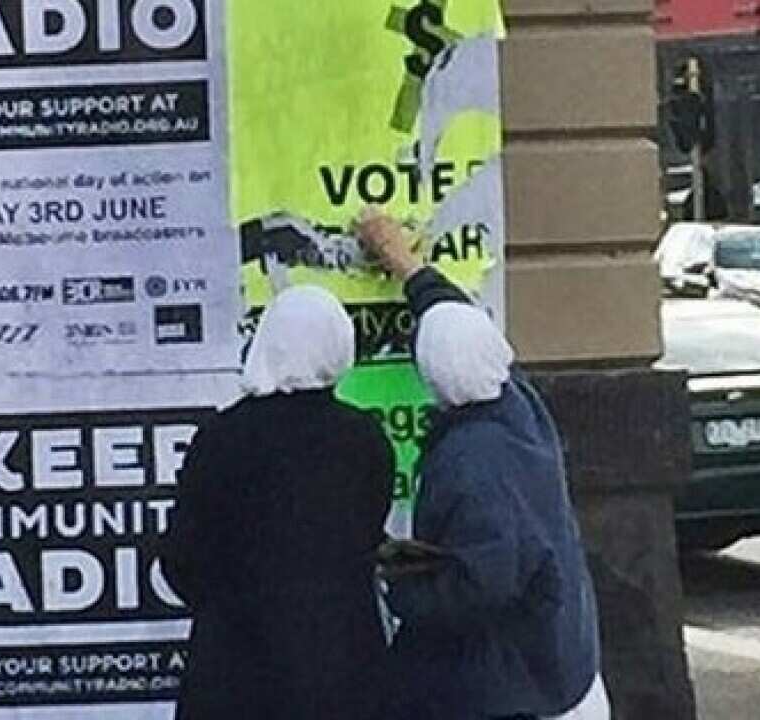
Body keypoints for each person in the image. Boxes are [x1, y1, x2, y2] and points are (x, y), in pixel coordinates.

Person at [355, 209, 609, 720]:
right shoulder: (514, 400)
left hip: (519, 691)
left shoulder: (475, 463)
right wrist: (404, 264)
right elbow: (457, 322)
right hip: (561, 667)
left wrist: (398, 586)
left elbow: (482, 583)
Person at [163, 285, 394, 720]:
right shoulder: (362, 439)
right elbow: (368, 535)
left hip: (235, 669)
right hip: (341, 669)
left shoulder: (222, 436)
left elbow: (181, 559)